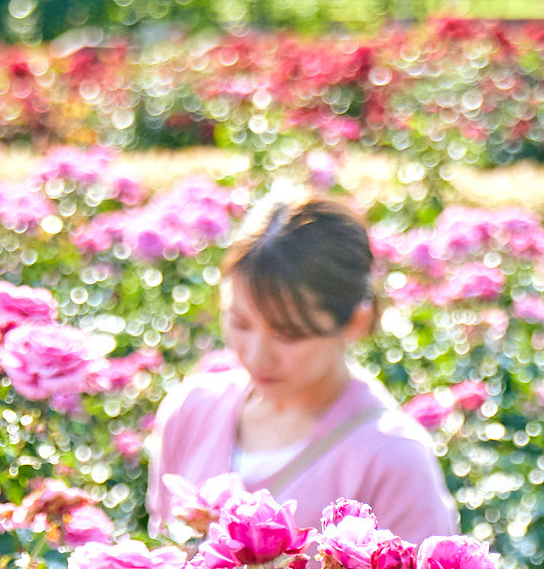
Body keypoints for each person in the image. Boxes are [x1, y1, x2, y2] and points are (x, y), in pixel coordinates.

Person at [145, 192, 455, 541]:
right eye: (241, 323)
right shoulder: (191, 412)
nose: (257, 355)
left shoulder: (392, 459)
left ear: (355, 322)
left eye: (289, 335)